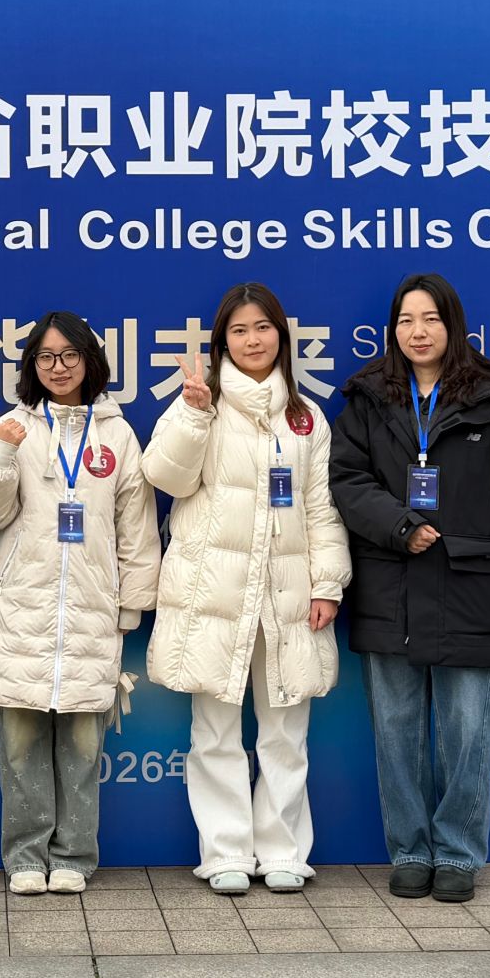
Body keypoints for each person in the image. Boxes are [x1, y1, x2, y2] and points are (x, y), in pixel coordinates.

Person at [329, 272, 490, 904]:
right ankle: (409, 850)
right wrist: (401, 526)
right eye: (406, 320)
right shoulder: (368, 396)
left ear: (453, 324)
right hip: (392, 582)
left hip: (471, 583)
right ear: (392, 330)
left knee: (468, 732)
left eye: (430, 319)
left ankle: (458, 853)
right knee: (397, 731)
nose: (418, 332)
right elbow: (346, 480)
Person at [142, 282, 351, 895]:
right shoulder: (200, 402)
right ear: (222, 342)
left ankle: (284, 851)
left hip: (287, 596)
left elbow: (321, 508)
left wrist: (327, 583)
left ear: (280, 335)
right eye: (239, 330)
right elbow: (165, 477)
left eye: (262, 328)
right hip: (214, 594)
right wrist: (193, 413)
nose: (252, 340)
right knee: (214, 733)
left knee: (286, 732)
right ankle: (225, 852)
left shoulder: (306, 418)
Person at [0, 312, 162, 896]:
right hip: (21, 611)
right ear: (32, 365)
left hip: (92, 612)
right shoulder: (14, 426)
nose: (58, 367)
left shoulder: (117, 435)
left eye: (70, 355)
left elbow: (136, 527)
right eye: (46, 357)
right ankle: (25, 857)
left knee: (83, 745)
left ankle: (74, 854)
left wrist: (132, 602)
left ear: (90, 361)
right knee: (20, 744)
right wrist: (0, 452)